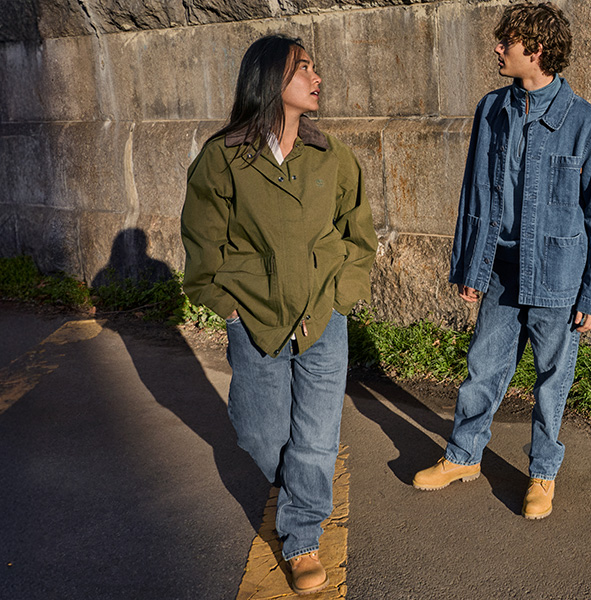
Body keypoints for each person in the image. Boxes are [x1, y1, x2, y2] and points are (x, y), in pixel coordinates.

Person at [180, 34, 375, 595]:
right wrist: (229, 307)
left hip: (322, 314)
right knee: (259, 433)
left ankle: (303, 538)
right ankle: (301, 492)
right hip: (257, 319)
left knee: (316, 434)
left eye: (314, 68)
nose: (317, 78)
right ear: (269, 81)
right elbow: (202, 243)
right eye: (303, 69)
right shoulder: (224, 159)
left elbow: (356, 233)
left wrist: (343, 295)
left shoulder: (331, 154)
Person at [413, 2, 591, 521]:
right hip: (502, 268)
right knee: (483, 367)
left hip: (557, 275)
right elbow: (474, 193)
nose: (498, 48)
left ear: (539, 49)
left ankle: (543, 475)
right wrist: (468, 264)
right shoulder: (492, 110)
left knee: (552, 379)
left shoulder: (587, 125)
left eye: (508, 41)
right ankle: (463, 456)